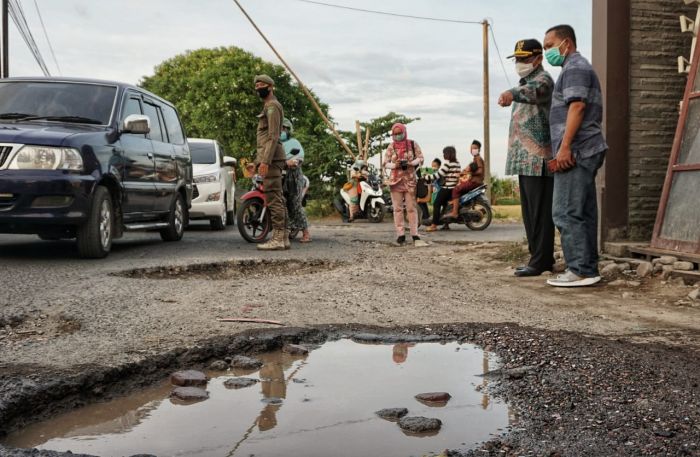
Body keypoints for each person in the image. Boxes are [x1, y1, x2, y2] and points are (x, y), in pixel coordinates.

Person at [543, 25, 608, 287]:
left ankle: (580, 270)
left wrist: (565, 147)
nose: (547, 51)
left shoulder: (575, 67)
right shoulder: (573, 67)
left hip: (578, 150)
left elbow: (578, 106)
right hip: (583, 148)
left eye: (549, 45)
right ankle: (587, 268)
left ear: (566, 43)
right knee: (582, 211)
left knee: (566, 211)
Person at [498, 38, 555, 277]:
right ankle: (536, 257)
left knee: (541, 212)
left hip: (538, 160)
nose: (520, 63)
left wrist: (512, 93)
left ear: (538, 58)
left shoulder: (542, 80)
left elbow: (536, 92)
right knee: (530, 213)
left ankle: (541, 260)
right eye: (518, 59)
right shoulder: (525, 82)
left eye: (524, 58)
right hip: (524, 161)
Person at [254, 74, 289, 251]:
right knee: (278, 198)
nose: (258, 88)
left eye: (261, 84)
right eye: (256, 85)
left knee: (273, 198)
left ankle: (278, 238)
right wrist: (257, 161)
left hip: (273, 159)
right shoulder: (268, 106)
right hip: (272, 158)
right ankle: (284, 238)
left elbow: (273, 136)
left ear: (270, 86)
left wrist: (265, 161)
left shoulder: (272, 107)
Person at [383, 123, 427, 246]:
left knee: (411, 208)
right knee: (397, 209)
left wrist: (411, 163)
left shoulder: (413, 144)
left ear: (404, 132)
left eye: (399, 133)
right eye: (395, 134)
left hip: (410, 180)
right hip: (395, 181)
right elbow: (385, 163)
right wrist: (395, 165)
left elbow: (421, 158)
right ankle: (400, 234)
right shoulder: (391, 146)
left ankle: (415, 234)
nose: (398, 136)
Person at [280, 118, 311, 243]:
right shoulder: (277, 143)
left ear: (288, 130)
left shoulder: (294, 142)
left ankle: (306, 233)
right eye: (280, 128)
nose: (281, 131)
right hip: (281, 177)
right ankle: (285, 231)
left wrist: (295, 162)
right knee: (284, 205)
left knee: (296, 205)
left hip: (295, 178)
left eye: (284, 128)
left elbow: (300, 157)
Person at [424, 146, 461, 232]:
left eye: (444, 153)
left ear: (448, 154)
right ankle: (446, 224)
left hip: (447, 188)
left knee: (436, 204)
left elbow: (438, 175)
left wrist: (427, 177)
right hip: (454, 188)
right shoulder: (457, 163)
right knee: (445, 205)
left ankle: (433, 225)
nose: (443, 155)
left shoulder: (447, 163)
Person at [446, 140, 485, 219]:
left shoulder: (478, 158)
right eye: (471, 148)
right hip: (475, 181)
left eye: (475, 148)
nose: (472, 150)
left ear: (479, 149)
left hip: (475, 182)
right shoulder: (475, 159)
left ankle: (455, 212)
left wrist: (470, 173)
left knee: (455, 190)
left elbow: (480, 171)